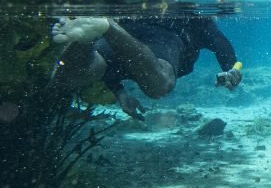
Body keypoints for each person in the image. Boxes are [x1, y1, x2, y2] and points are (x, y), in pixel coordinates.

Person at [50, 16, 242, 119]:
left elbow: (112, 69)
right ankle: (107, 27)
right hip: (163, 37)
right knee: (159, 85)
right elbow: (220, 43)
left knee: (66, 78)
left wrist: (120, 94)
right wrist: (231, 69)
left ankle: (86, 40)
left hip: (125, 32)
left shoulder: (194, 19)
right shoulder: (198, 21)